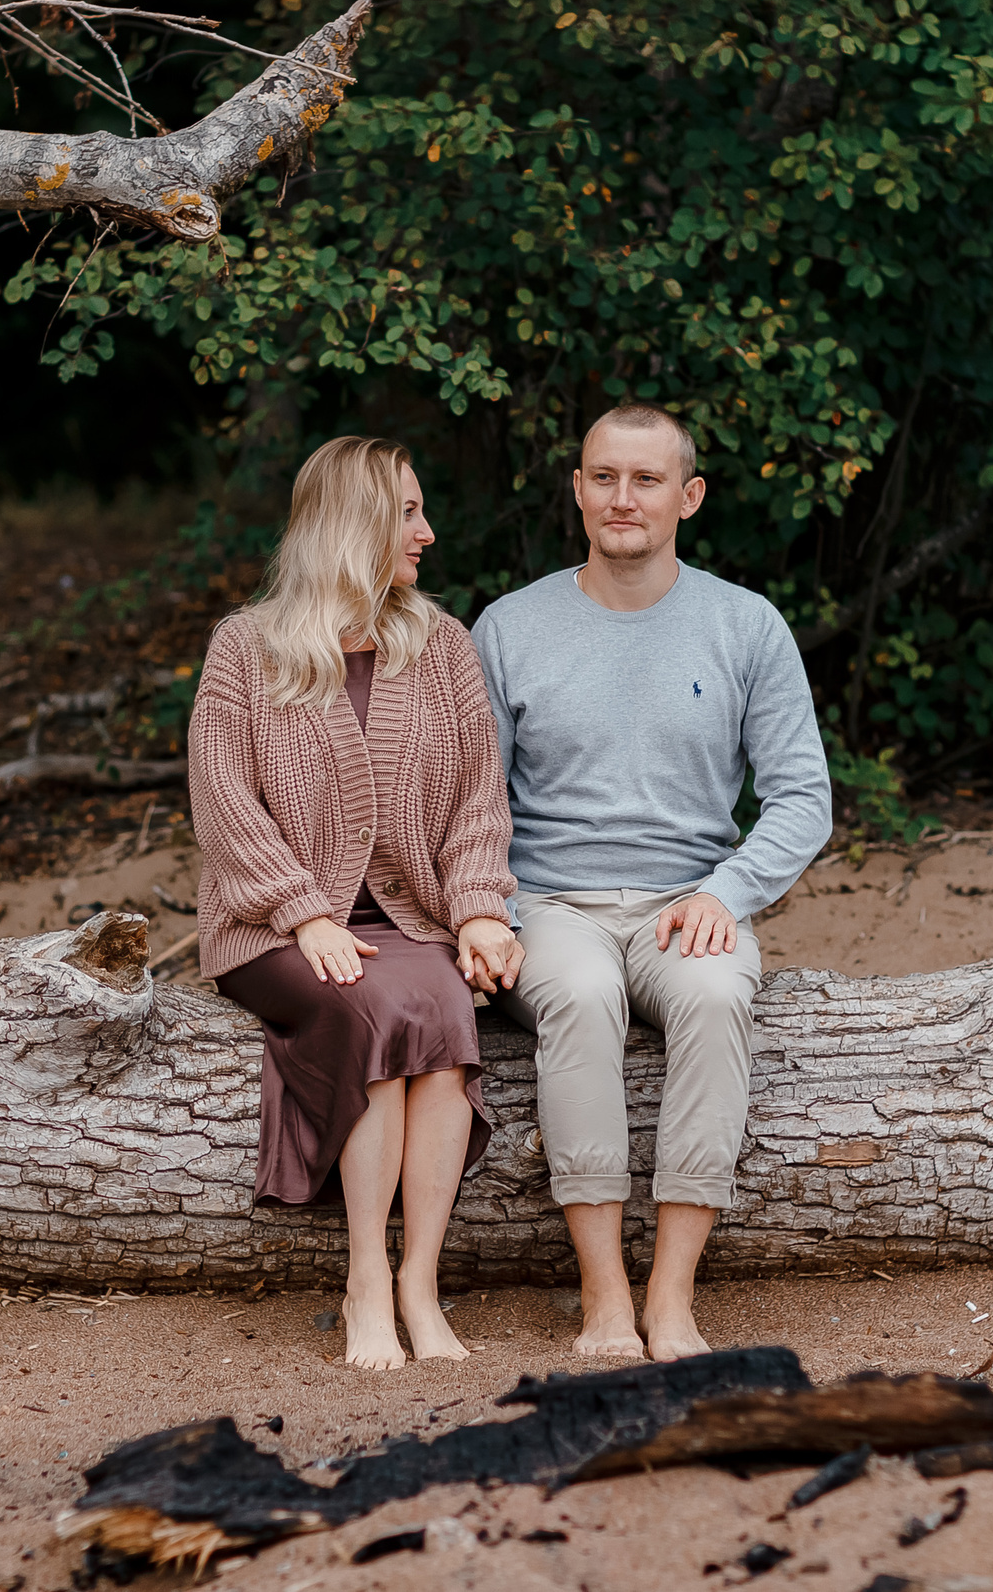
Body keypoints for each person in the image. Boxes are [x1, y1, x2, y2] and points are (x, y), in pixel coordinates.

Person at [474, 403, 831, 1362]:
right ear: (577, 489)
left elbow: (803, 797)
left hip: (690, 902)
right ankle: (603, 1296)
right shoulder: (509, 627)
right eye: (603, 477)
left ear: (690, 495)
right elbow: (469, 802)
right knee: (583, 995)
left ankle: (672, 1297)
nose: (621, 498)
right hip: (551, 903)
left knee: (715, 996)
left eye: (645, 479)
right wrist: (488, 911)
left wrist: (729, 892)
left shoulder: (744, 625)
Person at [189, 436, 526, 1371]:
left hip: (408, 917)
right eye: (407, 512)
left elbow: (478, 798)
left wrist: (477, 908)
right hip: (270, 924)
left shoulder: (441, 644)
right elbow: (222, 801)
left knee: (446, 1006)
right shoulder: (246, 647)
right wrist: (304, 911)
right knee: (372, 1007)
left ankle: (420, 1279)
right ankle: (365, 1279)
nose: (427, 531)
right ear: (352, 523)